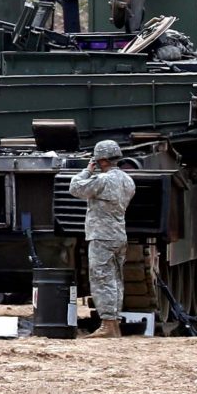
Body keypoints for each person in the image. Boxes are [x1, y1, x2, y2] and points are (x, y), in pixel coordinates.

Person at [69, 139, 136, 338]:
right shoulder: (127, 180)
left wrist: (87, 171)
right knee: (115, 280)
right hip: (118, 234)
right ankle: (114, 324)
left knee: (101, 278)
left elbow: (75, 188)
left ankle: (107, 324)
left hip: (101, 236)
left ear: (103, 160)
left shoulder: (103, 180)